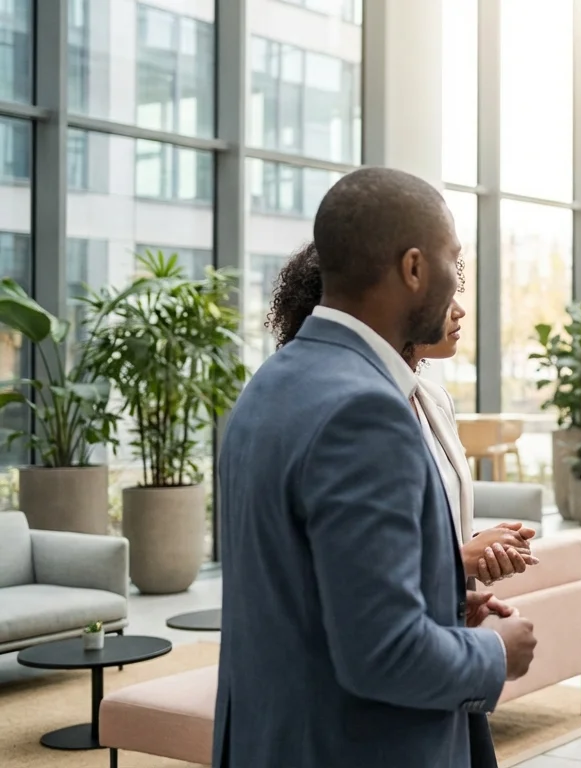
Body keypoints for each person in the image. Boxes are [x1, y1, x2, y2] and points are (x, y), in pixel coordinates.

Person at [215, 167, 537, 768]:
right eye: (453, 261)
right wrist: (497, 653)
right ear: (414, 269)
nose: (457, 284)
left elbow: (307, 593)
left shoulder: (268, 385)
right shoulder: (365, 411)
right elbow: (383, 656)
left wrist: (441, 602)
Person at [266, 243, 538, 586]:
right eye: (442, 299)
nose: (459, 311)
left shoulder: (435, 400)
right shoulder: (345, 413)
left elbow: (424, 533)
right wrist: (460, 561)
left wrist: (479, 555)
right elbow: (351, 561)